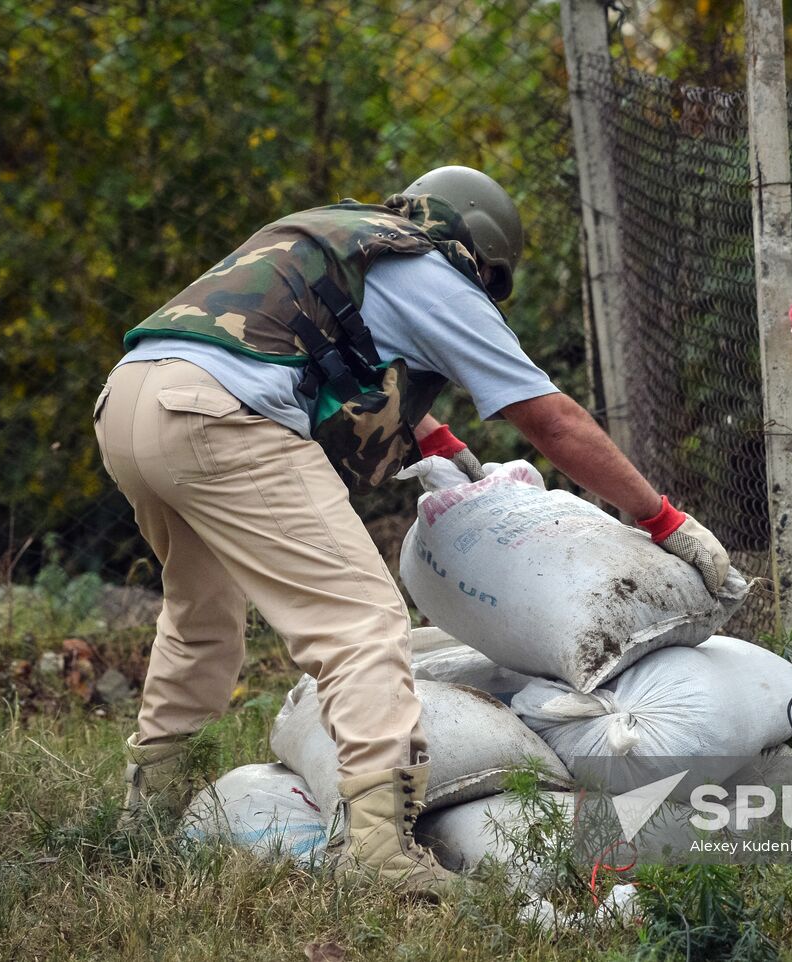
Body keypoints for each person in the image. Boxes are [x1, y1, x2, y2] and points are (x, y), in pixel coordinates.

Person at [92, 165, 730, 898]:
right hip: (223, 420)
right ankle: (378, 852)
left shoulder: (350, 237)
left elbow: (320, 351)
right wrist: (661, 517)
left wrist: (436, 442)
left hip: (132, 399)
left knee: (200, 615)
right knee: (362, 623)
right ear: (480, 255)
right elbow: (550, 419)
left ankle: (149, 807)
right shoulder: (440, 279)